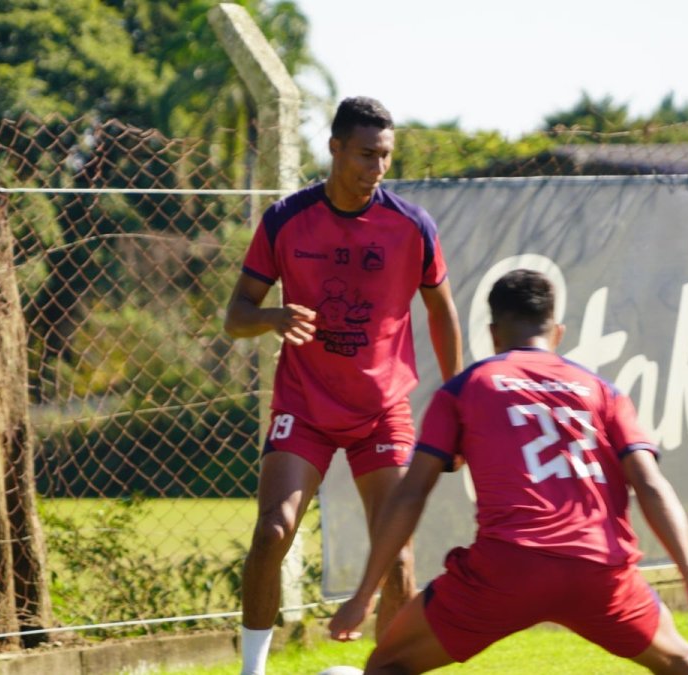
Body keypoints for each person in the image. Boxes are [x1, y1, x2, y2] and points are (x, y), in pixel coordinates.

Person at [329, 269, 688, 674]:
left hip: (507, 568)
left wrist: (364, 595)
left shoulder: (465, 389)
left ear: (493, 334)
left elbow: (410, 494)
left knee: (389, 664)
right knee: (682, 661)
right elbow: (650, 485)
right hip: (598, 568)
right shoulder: (604, 391)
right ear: (558, 332)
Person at [223, 96, 463, 675]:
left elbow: (442, 315)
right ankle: (253, 670)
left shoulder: (412, 226)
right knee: (272, 530)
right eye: (363, 155)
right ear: (333, 148)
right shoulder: (285, 219)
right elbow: (235, 317)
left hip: (382, 411)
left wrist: (457, 408)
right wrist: (275, 318)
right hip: (304, 407)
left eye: (384, 157)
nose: (374, 169)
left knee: (399, 558)